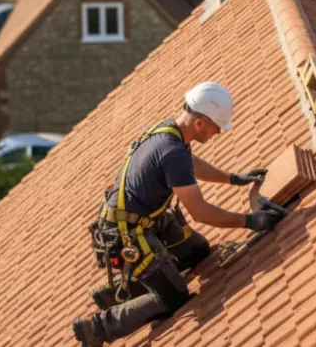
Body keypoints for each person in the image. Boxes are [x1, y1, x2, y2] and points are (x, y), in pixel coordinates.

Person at [72, 82, 281, 346]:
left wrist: (233, 179)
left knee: (197, 251)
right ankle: (98, 327)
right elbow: (201, 212)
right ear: (200, 122)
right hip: (129, 236)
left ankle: (116, 292)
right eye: (217, 126)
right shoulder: (171, 152)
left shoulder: (169, 131)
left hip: (146, 219)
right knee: (174, 298)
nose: (218, 132)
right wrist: (250, 221)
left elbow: (191, 164)